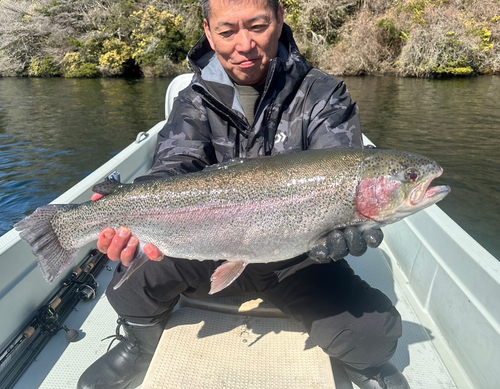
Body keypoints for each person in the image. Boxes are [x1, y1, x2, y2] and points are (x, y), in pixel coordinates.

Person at [78, 0, 410, 388]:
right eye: (228, 31)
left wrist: (343, 226)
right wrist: (128, 211)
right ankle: (140, 342)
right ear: (208, 31)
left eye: (257, 25)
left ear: (280, 18)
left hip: (298, 255)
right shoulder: (193, 99)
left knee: (375, 337)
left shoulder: (323, 94)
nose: (245, 44)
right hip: (205, 243)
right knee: (128, 285)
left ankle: (361, 365)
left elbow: (340, 162)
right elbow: (173, 166)